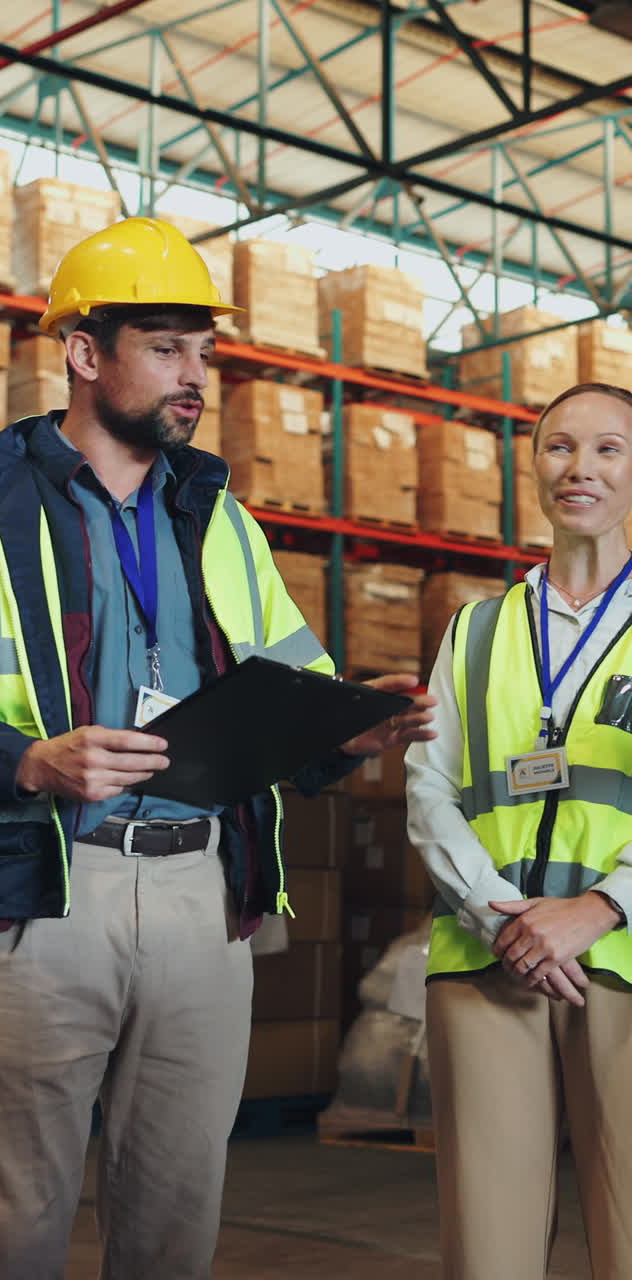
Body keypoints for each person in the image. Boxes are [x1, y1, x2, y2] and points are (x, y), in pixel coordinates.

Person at [0, 216, 435, 1280]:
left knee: (175, 1224)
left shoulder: (221, 520)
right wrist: (28, 760)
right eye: (166, 345)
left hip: (203, 895)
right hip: (46, 894)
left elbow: (285, 695)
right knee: (12, 1229)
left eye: (204, 351)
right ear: (83, 351)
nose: (195, 376)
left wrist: (347, 721)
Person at [406, 381, 632, 1279]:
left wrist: (600, 907)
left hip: (620, 952)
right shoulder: (476, 630)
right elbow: (430, 790)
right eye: (559, 447)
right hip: (487, 955)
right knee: (486, 1246)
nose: (581, 469)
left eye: (609, 449)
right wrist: (502, 916)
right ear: (533, 466)